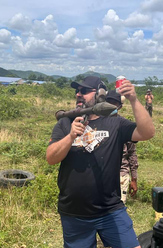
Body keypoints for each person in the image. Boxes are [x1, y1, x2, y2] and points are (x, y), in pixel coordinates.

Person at [46, 76, 155, 248]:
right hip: (74, 212)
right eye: (77, 91)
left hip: (110, 210)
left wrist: (134, 100)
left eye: (84, 91)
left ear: (99, 94)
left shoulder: (115, 122)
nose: (78, 95)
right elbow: (51, 158)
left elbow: (147, 133)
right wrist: (70, 137)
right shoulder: (66, 122)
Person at [105, 90, 138, 204]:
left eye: (114, 103)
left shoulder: (124, 125)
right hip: (102, 174)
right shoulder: (97, 122)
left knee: (118, 206)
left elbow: (132, 153)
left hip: (121, 174)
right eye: (108, 102)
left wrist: (134, 178)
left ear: (120, 106)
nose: (111, 105)